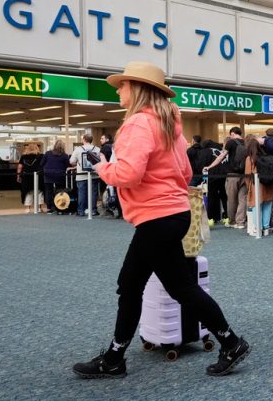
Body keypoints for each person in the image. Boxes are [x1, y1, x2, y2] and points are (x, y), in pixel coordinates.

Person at [73, 61, 249, 379]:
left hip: (156, 217)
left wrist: (101, 167)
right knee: (166, 286)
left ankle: (115, 358)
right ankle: (229, 342)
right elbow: (184, 172)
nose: (118, 89)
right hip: (174, 213)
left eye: (123, 84)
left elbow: (128, 174)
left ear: (139, 89)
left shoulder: (138, 124)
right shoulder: (169, 126)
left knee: (138, 286)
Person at [204, 127, 246, 229]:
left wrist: (210, 166)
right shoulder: (246, 142)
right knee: (243, 199)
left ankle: (232, 221)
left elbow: (221, 157)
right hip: (245, 175)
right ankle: (240, 222)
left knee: (231, 199)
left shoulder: (230, 142)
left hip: (232, 175)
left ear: (232, 134)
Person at [244, 135, 273, 236]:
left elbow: (247, 174)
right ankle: (266, 228)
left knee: (256, 206)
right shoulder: (267, 157)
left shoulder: (250, 159)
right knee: (267, 206)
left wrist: (248, 187)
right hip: (269, 185)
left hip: (256, 186)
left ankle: (258, 228)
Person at [70, 134, 101, 217]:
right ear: (91, 140)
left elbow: (72, 161)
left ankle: (81, 211)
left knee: (82, 193)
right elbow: (100, 161)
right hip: (94, 174)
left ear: (83, 139)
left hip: (81, 175)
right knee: (93, 193)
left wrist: (77, 163)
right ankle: (93, 210)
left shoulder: (78, 149)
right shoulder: (97, 149)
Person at [199, 139, 228, 226]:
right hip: (224, 176)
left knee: (211, 197)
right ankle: (226, 217)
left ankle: (211, 218)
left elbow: (201, 165)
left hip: (212, 176)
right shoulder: (219, 151)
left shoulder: (205, 151)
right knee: (224, 196)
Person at [41, 140, 70, 214]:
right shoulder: (65, 155)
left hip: (48, 174)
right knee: (59, 191)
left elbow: (42, 163)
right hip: (59, 175)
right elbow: (67, 165)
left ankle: (49, 208)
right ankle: (58, 206)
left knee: (48, 192)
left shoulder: (48, 153)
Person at [17, 143, 44, 213]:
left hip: (26, 176)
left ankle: (28, 208)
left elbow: (20, 167)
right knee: (39, 192)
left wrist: (18, 176)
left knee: (28, 192)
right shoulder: (41, 156)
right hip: (38, 176)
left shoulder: (23, 156)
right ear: (37, 148)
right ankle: (39, 208)